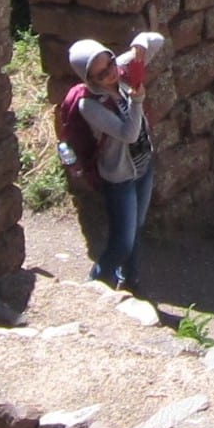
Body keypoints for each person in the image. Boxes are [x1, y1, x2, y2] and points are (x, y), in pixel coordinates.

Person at [63, 34, 165, 287]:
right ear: (89, 79)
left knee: (135, 231)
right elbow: (129, 134)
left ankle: (129, 280)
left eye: (109, 63)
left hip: (142, 167)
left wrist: (140, 42)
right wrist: (137, 99)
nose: (110, 73)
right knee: (121, 243)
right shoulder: (90, 105)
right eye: (101, 74)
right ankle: (91, 288)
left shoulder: (119, 69)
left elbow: (157, 40)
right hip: (120, 179)